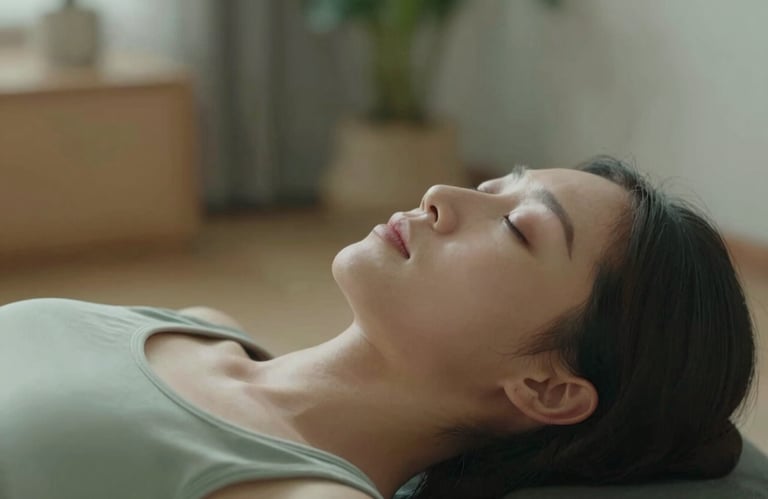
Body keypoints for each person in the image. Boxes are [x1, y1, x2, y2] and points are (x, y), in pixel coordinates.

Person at [0, 156, 755, 499]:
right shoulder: (202, 327)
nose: (441, 195)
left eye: (516, 227)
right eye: (492, 186)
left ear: (548, 388)